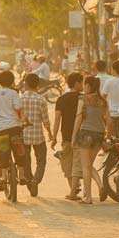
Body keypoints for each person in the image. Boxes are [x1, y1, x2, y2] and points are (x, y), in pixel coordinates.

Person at [0, 69, 25, 193]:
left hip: (1, 129)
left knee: (3, 153)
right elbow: (18, 108)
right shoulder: (14, 93)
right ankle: (22, 175)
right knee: (19, 152)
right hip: (15, 128)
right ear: (12, 81)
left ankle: (2, 176)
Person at [71, 76, 109, 204]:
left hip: (86, 133)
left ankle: (88, 197)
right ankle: (101, 185)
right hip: (99, 134)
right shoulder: (103, 101)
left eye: (84, 85)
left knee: (85, 167)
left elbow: (78, 118)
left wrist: (73, 137)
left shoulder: (83, 99)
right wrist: (108, 136)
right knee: (89, 165)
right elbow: (109, 120)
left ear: (87, 85)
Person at [19, 74, 55, 190]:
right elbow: (46, 120)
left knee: (26, 161)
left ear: (26, 84)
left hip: (24, 136)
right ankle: (36, 180)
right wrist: (50, 133)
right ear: (38, 85)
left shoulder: (20, 100)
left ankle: (30, 181)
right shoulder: (41, 100)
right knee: (41, 160)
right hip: (38, 136)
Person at [52, 72, 84, 200]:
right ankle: (74, 189)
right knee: (78, 163)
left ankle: (73, 189)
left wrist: (54, 137)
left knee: (68, 163)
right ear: (76, 83)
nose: (82, 85)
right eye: (81, 82)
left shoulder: (61, 99)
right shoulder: (84, 98)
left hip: (66, 136)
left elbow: (57, 119)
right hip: (82, 135)